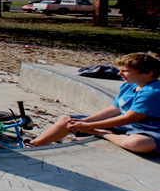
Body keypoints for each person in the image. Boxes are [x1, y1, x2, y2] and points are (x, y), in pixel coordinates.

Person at [27, 52, 160, 153]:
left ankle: (101, 133)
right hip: (128, 127)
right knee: (67, 120)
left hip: (150, 130)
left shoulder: (152, 92)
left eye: (125, 71)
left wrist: (90, 126)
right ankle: (35, 144)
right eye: (119, 70)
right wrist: (85, 122)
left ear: (148, 73)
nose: (119, 74)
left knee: (138, 143)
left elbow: (128, 118)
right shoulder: (129, 85)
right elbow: (113, 109)